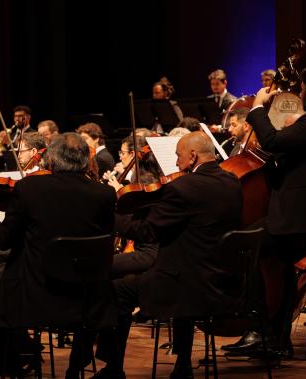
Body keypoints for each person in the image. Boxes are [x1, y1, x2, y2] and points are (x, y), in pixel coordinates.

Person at [223, 63, 306, 357]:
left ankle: (261, 331)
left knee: (250, 243)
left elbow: (271, 141)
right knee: (277, 257)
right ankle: (275, 338)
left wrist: (257, 108)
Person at [0, 133, 116, 377]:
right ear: (86, 161)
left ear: (51, 160)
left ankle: (7, 362)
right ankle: (74, 367)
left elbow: (3, 239)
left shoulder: (29, 188)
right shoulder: (104, 194)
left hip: (35, 292)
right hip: (86, 295)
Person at [96, 132, 243, 378]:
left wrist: (111, 217)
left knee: (118, 289)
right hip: (224, 282)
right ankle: (182, 363)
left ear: (193, 156)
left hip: (186, 285)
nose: (176, 163)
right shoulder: (232, 182)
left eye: (178, 156)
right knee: (172, 268)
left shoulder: (183, 188)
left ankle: (113, 369)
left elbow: (148, 231)